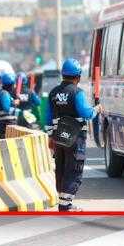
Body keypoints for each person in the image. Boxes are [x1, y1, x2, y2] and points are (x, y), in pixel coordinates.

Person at [44, 59, 102, 212]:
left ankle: (63, 202)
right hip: (75, 138)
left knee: (61, 167)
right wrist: (97, 109)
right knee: (74, 168)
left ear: (63, 74)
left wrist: (50, 137)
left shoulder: (53, 93)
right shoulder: (77, 93)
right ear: (78, 76)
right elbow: (86, 113)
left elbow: (48, 117)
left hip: (59, 138)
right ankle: (65, 205)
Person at [0, 73, 20, 138]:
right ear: (10, 85)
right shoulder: (4, 94)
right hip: (6, 125)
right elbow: (6, 109)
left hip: (6, 125)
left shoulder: (6, 94)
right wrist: (15, 103)